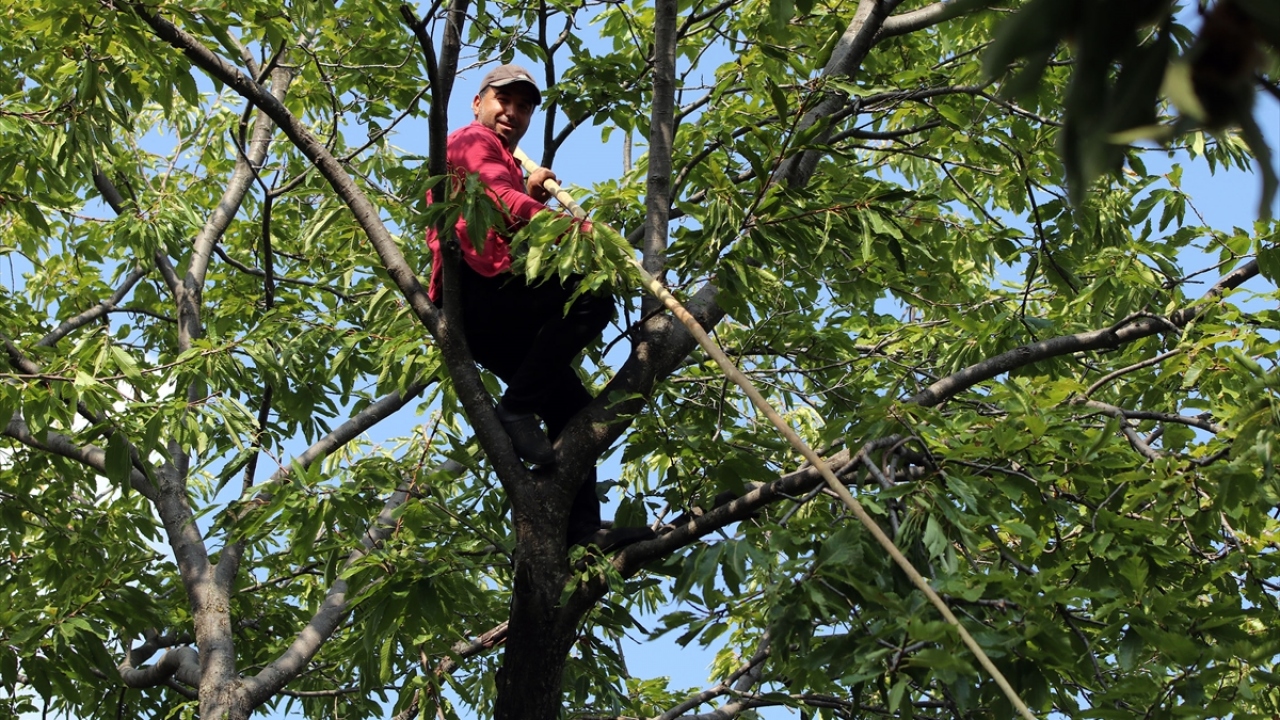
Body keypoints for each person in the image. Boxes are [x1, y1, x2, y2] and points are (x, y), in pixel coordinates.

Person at [426, 65, 651, 550]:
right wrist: (579, 229)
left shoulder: (503, 158)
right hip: (476, 289)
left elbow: (502, 212)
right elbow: (497, 196)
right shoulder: (470, 139)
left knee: (571, 406)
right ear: (478, 103)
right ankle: (516, 409)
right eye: (503, 101)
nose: (513, 112)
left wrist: (528, 192)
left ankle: (582, 533)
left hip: (495, 304)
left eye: (524, 107)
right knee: (592, 296)